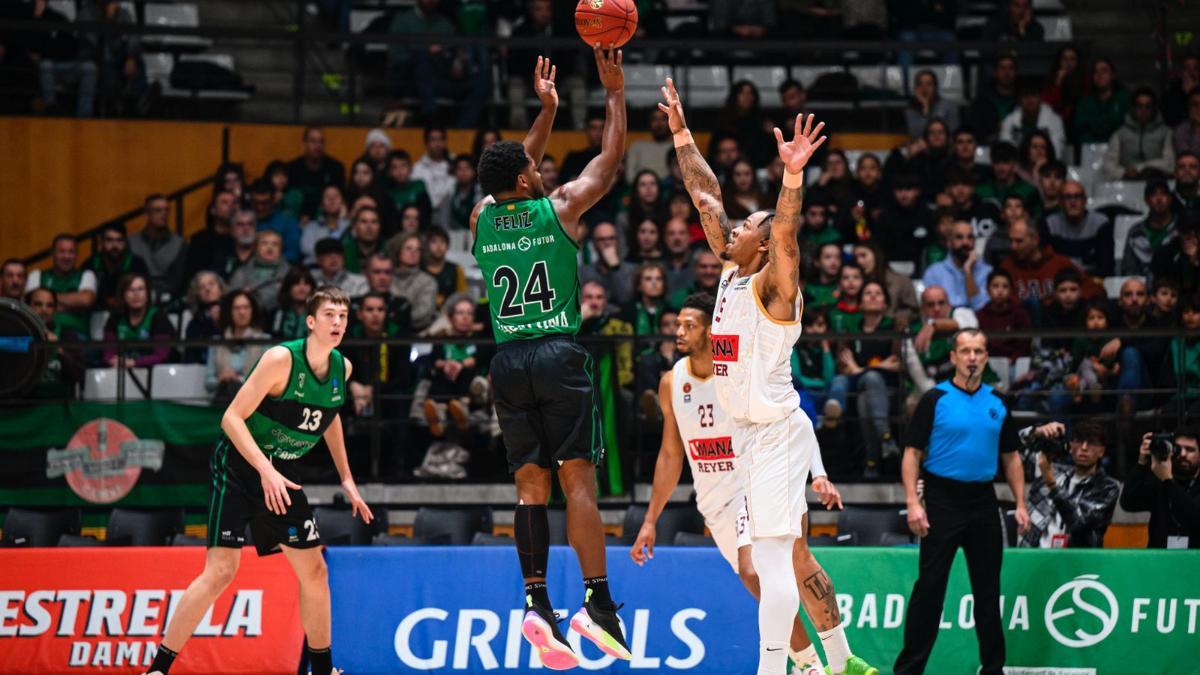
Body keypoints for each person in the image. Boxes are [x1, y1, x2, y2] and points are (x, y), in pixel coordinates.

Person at [664, 78, 875, 675]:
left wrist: (791, 178)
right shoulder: (731, 273)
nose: (734, 229)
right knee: (774, 561)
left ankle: (780, 668)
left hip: (778, 433)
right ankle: (833, 663)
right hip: (751, 439)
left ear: (762, 245)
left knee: (776, 562)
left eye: (746, 227)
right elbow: (706, 196)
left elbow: (785, 231)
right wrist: (681, 132)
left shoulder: (774, 288)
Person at [468, 48, 630, 668]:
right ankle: (599, 603)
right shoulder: (559, 207)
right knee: (578, 482)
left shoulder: (483, 218)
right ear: (527, 182)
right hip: (558, 354)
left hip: (506, 361)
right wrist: (612, 94)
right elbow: (610, 161)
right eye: (533, 170)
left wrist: (547, 110)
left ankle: (537, 604)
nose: (539, 170)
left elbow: (512, 169)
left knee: (529, 487)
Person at [145, 287, 371, 675]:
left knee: (314, 570)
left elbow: (329, 418)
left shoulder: (342, 368)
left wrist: (347, 478)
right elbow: (231, 418)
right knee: (220, 572)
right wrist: (264, 469)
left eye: (343, 316)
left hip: (282, 472)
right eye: (330, 315)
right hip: (238, 464)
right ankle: (158, 669)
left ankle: (322, 670)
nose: (338, 323)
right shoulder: (281, 359)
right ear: (311, 322)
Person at [630, 292, 837, 675]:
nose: (678, 331)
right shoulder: (671, 382)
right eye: (677, 324)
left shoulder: (737, 373)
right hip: (713, 502)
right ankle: (810, 664)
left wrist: (816, 472)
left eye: (688, 325)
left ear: (711, 331)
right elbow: (671, 455)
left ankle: (807, 664)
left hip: (751, 484)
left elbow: (789, 418)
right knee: (762, 586)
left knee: (752, 570)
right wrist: (650, 521)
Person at [895, 329, 1029, 675]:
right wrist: (913, 501)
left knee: (987, 592)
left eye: (979, 351)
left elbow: (1012, 458)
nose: (972, 357)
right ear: (953, 357)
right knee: (930, 589)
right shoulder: (935, 399)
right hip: (941, 499)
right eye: (966, 351)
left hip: (984, 500)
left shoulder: (997, 401)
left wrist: (1022, 503)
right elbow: (911, 454)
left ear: (986, 358)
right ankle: (909, 670)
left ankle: (993, 668)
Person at [829, 280, 901, 478]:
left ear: (885, 303)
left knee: (865, 396)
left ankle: (871, 462)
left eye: (878, 293)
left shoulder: (893, 327)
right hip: (857, 383)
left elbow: (897, 363)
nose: (873, 296)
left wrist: (858, 368)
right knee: (869, 378)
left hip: (888, 388)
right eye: (868, 293)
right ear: (860, 303)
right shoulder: (853, 329)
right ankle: (886, 439)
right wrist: (872, 368)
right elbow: (843, 365)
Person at [1020, 421, 1120, 548]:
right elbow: (1009, 448)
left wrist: (1051, 484)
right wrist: (1038, 432)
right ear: (1070, 446)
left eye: (1091, 443)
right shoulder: (1050, 470)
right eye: (1079, 441)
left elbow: (1079, 523)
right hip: (1035, 557)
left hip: (1077, 562)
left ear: (1101, 451)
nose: (1084, 447)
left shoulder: (1107, 487)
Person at [1119, 427, 1200, 548]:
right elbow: (1128, 503)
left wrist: (1168, 481)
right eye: (1178, 449)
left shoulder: (1164, 478)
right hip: (1159, 558)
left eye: (1190, 450)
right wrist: (1141, 463)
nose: (1183, 454)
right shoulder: (1159, 478)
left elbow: (1195, 518)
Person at [205, 290, 269, 402]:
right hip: (222, 396)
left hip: (253, 401)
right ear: (229, 312)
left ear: (252, 310)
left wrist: (238, 379)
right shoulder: (217, 342)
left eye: (246, 307)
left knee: (232, 387)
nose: (242, 312)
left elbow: (266, 380)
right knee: (227, 387)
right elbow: (208, 383)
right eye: (237, 308)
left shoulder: (264, 341)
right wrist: (221, 379)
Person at [26, 233, 98, 335]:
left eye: (71, 252)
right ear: (53, 253)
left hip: (77, 337)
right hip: (41, 332)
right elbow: (31, 305)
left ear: (77, 254)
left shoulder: (87, 275)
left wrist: (48, 300)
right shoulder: (37, 275)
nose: (66, 256)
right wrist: (74, 304)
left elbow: (86, 300)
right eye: (62, 251)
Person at [102, 273, 174, 370]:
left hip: (154, 373)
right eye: (130, 290)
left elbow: (161, 356)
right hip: (120, 370)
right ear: (123, 294)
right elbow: (108, 353)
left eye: (140, 289)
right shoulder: (115, 318)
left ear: (147, 293)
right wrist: (116, 361)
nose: (136, 294)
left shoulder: (158, 317)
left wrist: (133, 363)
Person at [1102, 87, 1175, 181]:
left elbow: (1170, 164)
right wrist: (1124, 173)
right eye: (1139, 106)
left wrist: (1142, 168)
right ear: (1133, 108)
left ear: (1154, 108)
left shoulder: (1166, 132)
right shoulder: (1120, 134)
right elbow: (1108, 165)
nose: (1143, 110)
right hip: (1127, 184)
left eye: (1148, 106)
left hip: (1158, 183)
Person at [24, 287, 85, 399]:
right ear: (28, 307)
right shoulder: (19, 334)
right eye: (38, 304)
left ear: (55, 310)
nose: (44, 309)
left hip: (60, 405)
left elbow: (79, 375)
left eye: (49, 305)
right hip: (25, 405)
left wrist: (59, 350)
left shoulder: (67, 334)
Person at [1043, 181, 1115, 277]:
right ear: (1060, 202)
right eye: (1068, 197)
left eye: (1077, 196)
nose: (1073, 202)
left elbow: (1106, 267)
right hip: (1060, 283)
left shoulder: (1100, 223)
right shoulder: (1050, 224)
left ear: (1085, 200)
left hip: (1092, 281)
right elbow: (1047, 265)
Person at [127, 194, 187, 300]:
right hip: (137, 297)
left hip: (168, 300)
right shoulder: (131, 243)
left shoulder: (179, 244)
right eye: (158, 210)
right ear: (146, 214)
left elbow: (177, 281)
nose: (164, 214)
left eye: (166, 210)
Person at [923, 221, 991, 310]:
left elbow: (980, 308)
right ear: (949, 242)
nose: (965, 242)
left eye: (970, 237)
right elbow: (932, 309)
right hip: (944, 322)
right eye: (959, 237)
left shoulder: (987, 272)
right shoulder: (933, 272)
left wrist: (968, 272)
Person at [285, 126, 346, 220]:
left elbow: (339, 197)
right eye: (313, 141)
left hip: (326, 217)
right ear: (304, 143)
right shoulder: (292, 168)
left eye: (321, 141)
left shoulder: (335, 168)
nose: (318, 145)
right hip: (297, 218)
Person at [1122, 179, 1178, 276]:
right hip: (1142, 288)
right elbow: (1129, 269)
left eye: (1163, 194)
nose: (1159, 198)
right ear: (1146, 200)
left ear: (1170, 199)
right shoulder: (1135, 233)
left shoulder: (1180, 229)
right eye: (1154, 194)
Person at [1072, 58, 1132, 145]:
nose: (1099, 75)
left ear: (1113, 75)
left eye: (1104, 71)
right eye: (1096, 72)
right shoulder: (1084, 101)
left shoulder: (1124, 98)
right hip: (1090, 148)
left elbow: (1125, 125)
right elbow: (1080, 127)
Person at [228, 231, 290, 314]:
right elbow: (231, 298)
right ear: (256, 247)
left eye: (275, 244)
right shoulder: (241, 272)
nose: (270, 247)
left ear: (281, 249)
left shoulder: (289, 273)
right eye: (264, 243)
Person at [1000, 78, 1065, 156]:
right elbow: (1006, 153)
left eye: (1033, 95)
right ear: (1019, 99)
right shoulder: (1009, 121)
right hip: (1018, 166)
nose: (1030, 100)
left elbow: (1056, 153)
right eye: (1025, 96)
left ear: (1040, 98)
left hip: (1046, 166)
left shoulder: (1054, 120)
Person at [976, 269, 1031, 360]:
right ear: (987, 290)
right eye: (995, 286)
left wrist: (1013, 358)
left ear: (1010, 291)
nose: (1000, 291)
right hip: (986, 361)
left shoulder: (1020, 314)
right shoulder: (980, 316)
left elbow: (1024, 344)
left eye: (1005, 287)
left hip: (1015, 362)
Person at [389, 233, 438, 332]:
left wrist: (394, 319)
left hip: (417, 334)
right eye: (408, 248)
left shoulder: (428, 282)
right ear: (398, 251)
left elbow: (424, 314)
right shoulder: (386, 276)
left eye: (418, 249)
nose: (413, 253)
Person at [187, 189, 238, 279]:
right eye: (224, 203)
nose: (231, 206)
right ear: (213, 210)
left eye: (234, 203)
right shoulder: (200, 239)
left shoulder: (241, 238)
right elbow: (195, 274)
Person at [301, 186, 352, 266]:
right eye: (327, 197)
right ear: (321, 204)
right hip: (315, 268)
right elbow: (306, 249)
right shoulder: (311, 227)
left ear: (342, 202)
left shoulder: (350, 226)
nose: (332, 200)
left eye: (335, 196)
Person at [905, 70, 960, 139]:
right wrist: (925, 108)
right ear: (916, 88)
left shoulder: (949, 106)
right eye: (920, 84)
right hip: (922, 146)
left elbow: (953, 133)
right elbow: (916, 134)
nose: (924, 88)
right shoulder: (911, 108)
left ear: (935, 87)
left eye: (928, 84)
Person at [411, 126, 455, 210]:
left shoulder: (455, 164)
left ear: (445, 142)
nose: (437, 143)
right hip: (426, 211)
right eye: (433, 139)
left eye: (440, 139)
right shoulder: (417, 169)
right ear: (426, 143)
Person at [626, 108, 674, 181]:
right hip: (640, 189)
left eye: (663, 119)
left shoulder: (677, 147)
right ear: (649, 123)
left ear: (670, 121)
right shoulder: (637, 146)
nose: (659, 123)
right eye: (655, 119)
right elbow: (629, 177)